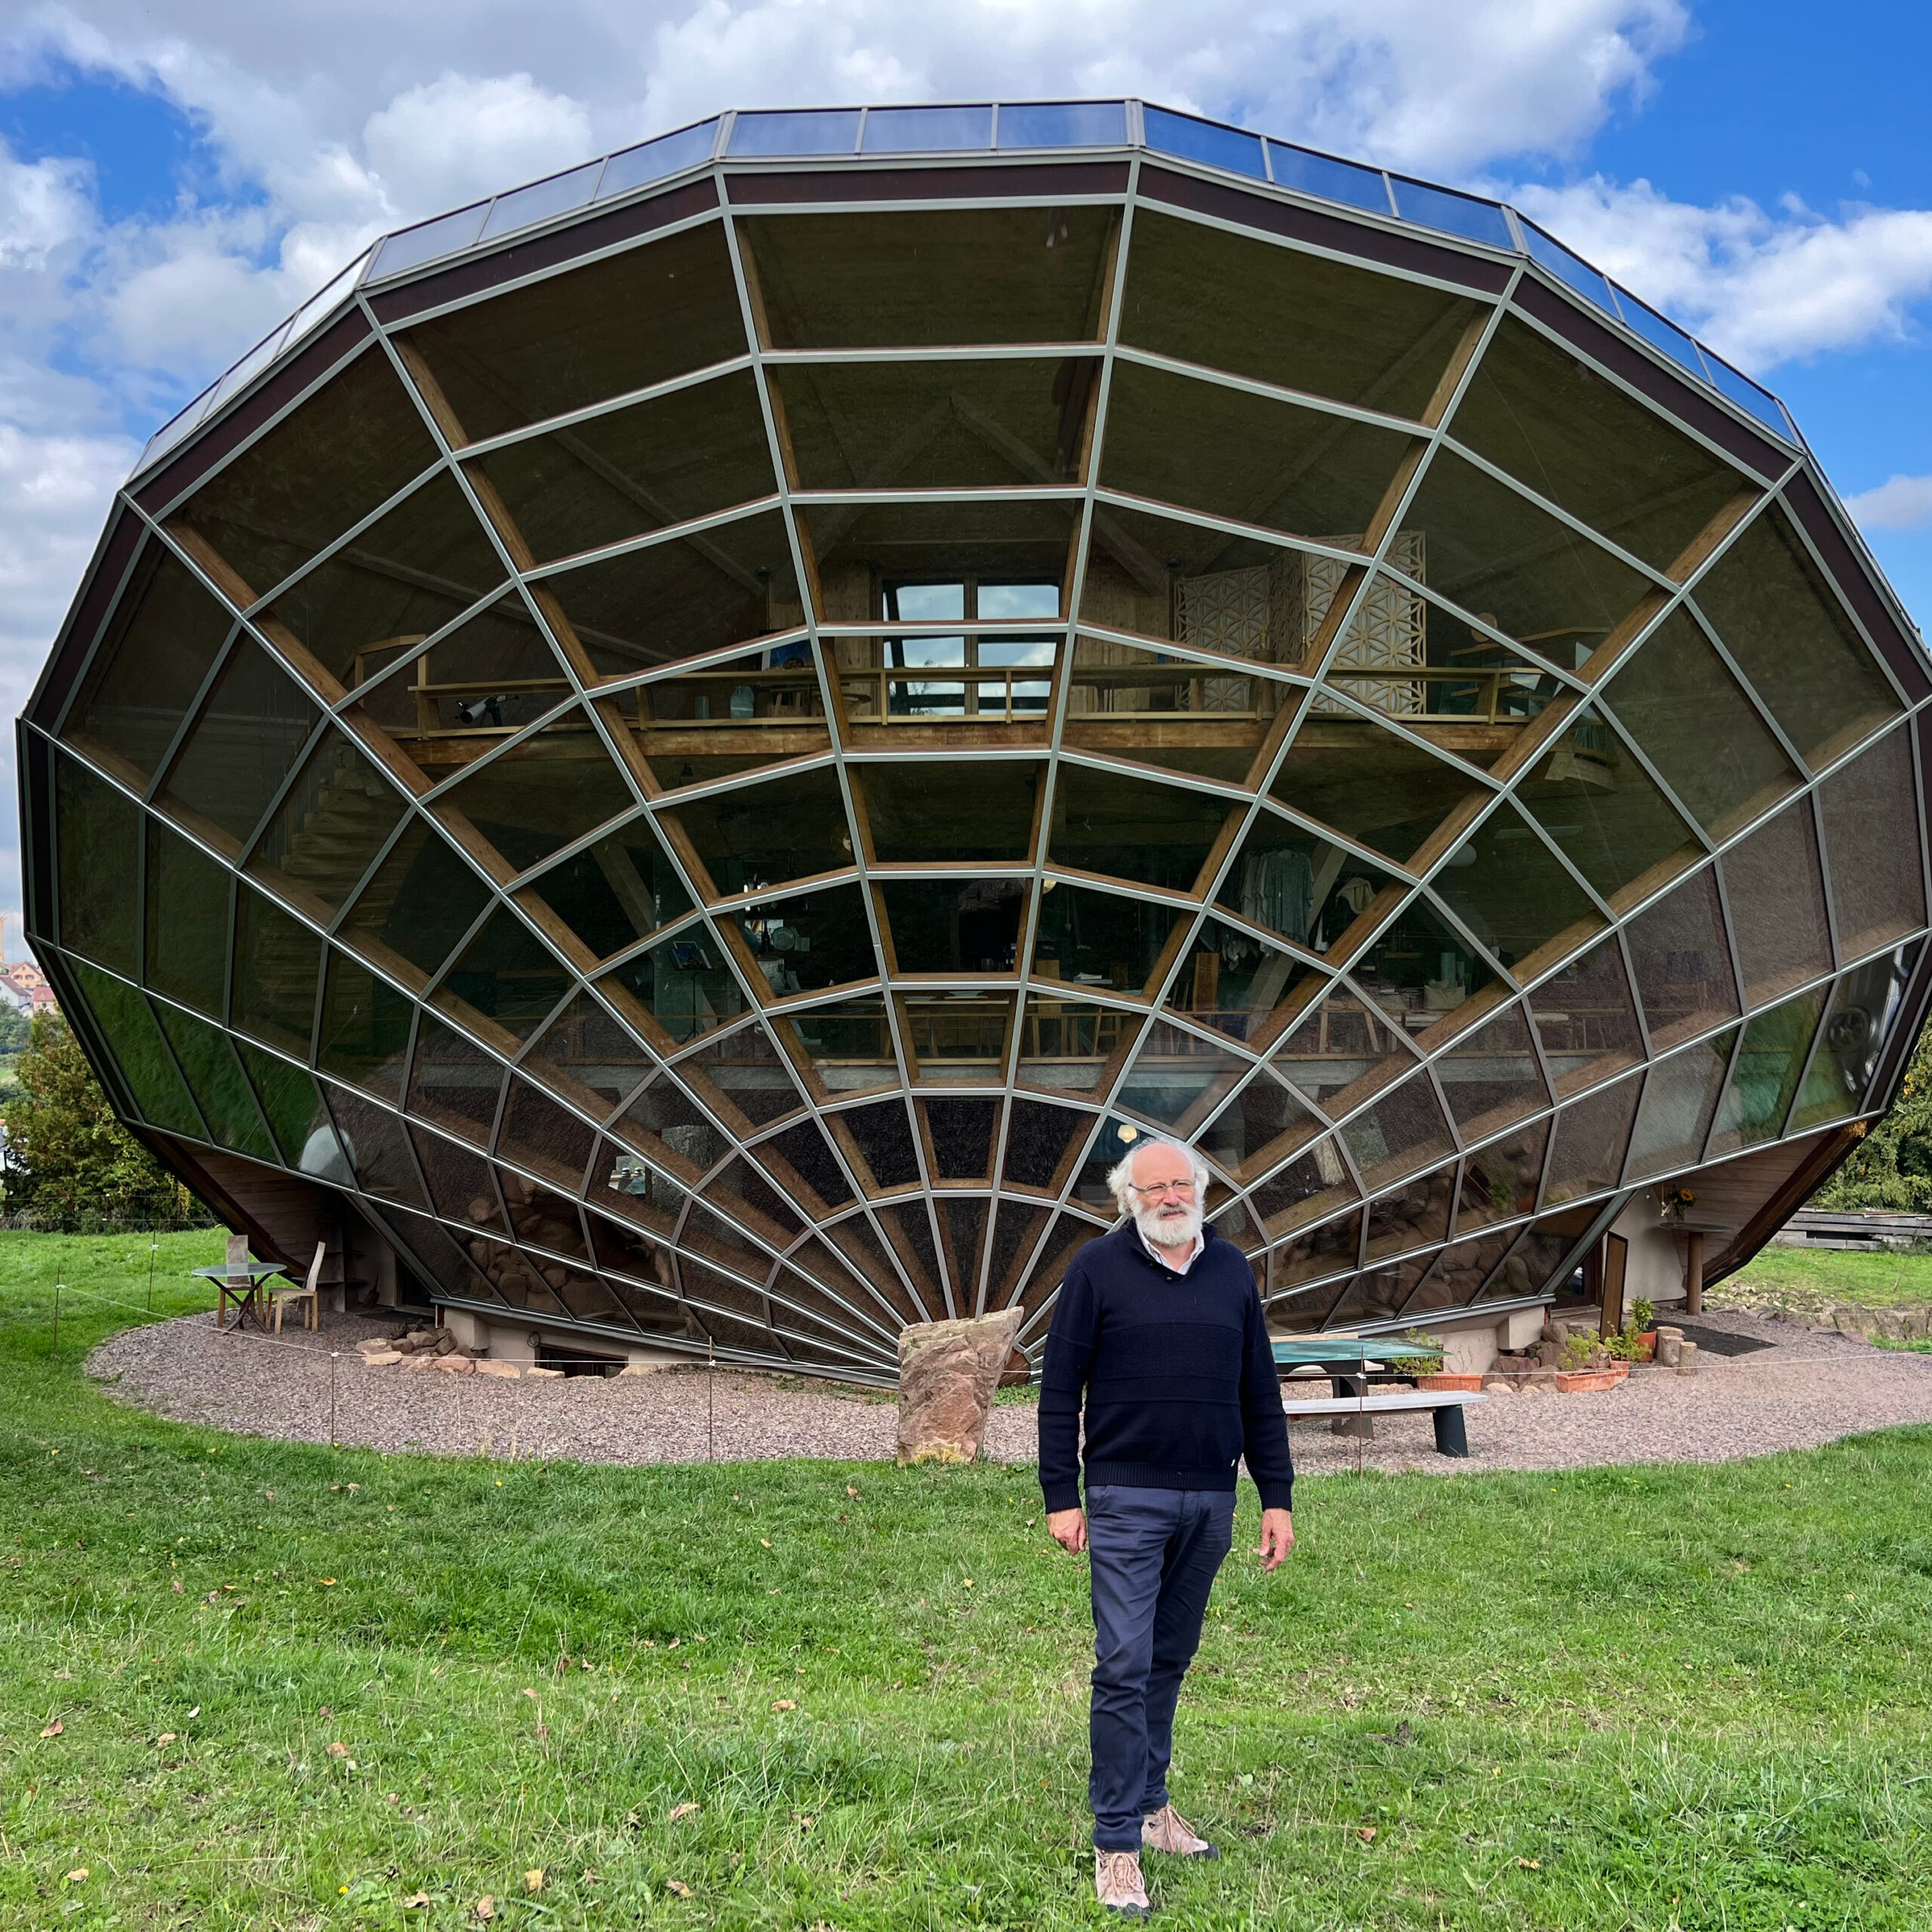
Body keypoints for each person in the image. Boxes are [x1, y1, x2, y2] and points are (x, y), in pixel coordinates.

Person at [1039, 1135, 1294, 1918]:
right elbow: (1057, 1391)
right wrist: (1061, 1494)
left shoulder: (1230, 1271)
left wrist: (1275, 1495)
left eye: (1179, 1184)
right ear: (1128, 1198)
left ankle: (1152, 1807)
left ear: (1201, 1189)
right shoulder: (1096, 1270)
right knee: (1123, 1662)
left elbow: (1259, 1389)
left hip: (1209, 1501)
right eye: (1151, 1188)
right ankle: (1116, 1843)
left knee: (1169, 1657)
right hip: (1124, 1497)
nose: (1169, 1197)